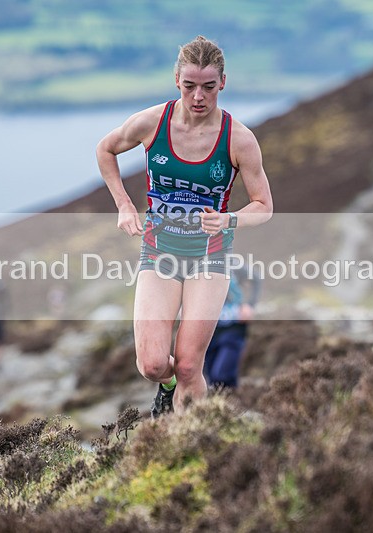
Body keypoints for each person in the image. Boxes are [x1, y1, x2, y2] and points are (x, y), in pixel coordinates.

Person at [96, 36, 273, 418]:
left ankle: (191, 438)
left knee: (191, 364)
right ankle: (169, 391)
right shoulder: (151, 122)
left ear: (222, 83)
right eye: (190, 86)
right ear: (176, 80)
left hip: (210, 257)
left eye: (208, 87)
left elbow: (265, 206)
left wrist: (230, 218)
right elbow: (105, 149)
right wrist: (124, 205)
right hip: (159, 252)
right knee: (153, 364)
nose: (198, 96)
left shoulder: (239, 139)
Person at [203, 265, 261, 390]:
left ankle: (231, 401)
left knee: (221, 375)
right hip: (209, 328)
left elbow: (255, 278)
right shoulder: (195, 267)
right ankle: (221, 404)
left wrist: (250, 305)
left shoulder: (232, 265)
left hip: (233, 327)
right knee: (211, 377)